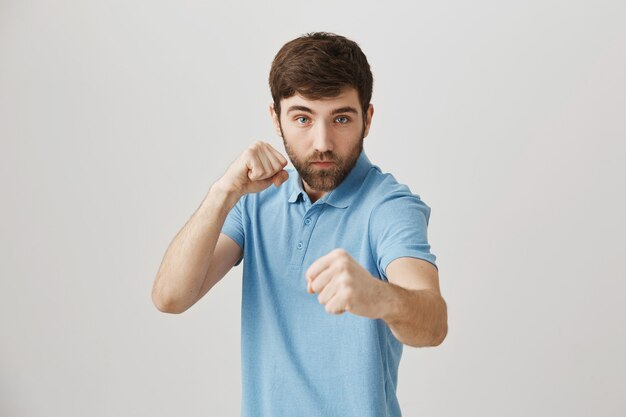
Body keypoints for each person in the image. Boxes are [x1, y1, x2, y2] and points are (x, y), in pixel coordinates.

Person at [152, 31, 448, 417]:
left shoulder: (389, 207)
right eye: (303, 118)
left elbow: (433, 324)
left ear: (367, 118)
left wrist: (378, 296)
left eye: (341, 118)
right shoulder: (253, 199)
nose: (322, 141)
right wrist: (223, 192)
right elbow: (170, 297)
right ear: (276, 118)